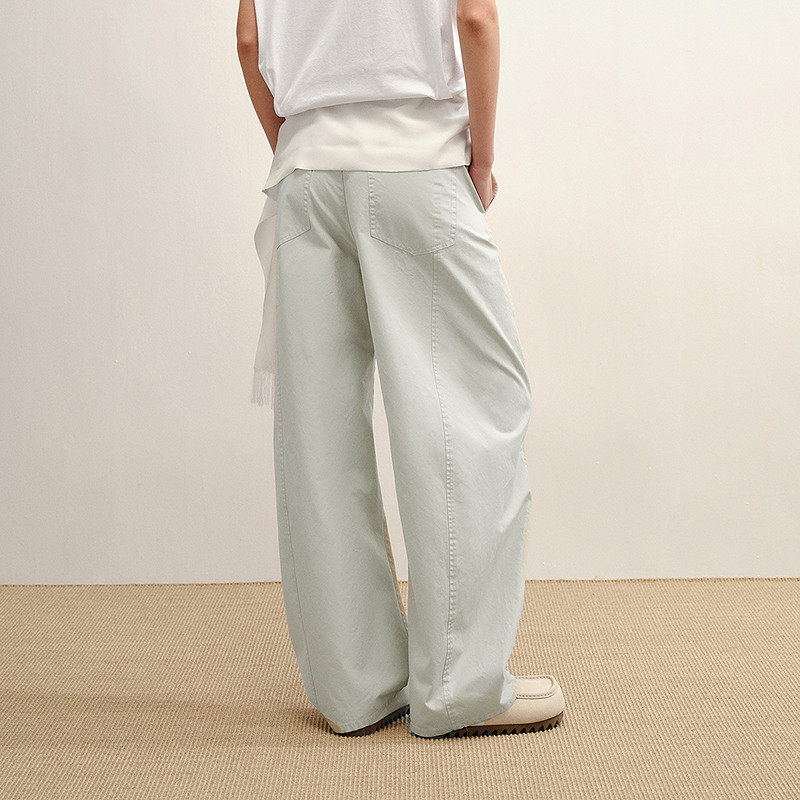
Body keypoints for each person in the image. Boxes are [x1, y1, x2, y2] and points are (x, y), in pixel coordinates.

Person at [236, 0, 565, 739]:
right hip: (417, 164)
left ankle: (356, 689)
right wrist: (482, 157)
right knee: (472, 414)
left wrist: (301, 146)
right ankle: (458, 690)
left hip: (306, 177)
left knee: (320, 435)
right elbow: (475, 17)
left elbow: (249, 38)